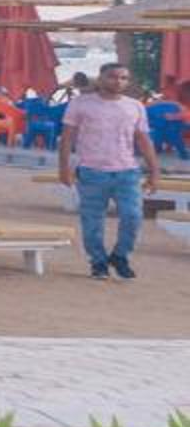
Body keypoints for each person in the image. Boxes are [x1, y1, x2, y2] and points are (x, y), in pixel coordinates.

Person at [58, 62, 158, 280]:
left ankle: (120, 256)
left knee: (133, 216)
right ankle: (98, 262)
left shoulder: (135, 106)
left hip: (127, 172)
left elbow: (143, 140)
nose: (118, 81)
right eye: (113, 77)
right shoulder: (81, 104)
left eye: (123, 78)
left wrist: (154, 172)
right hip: (92, 171)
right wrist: (64, 169)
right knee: (92, 221)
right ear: (101, 78)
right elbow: (67, 139)